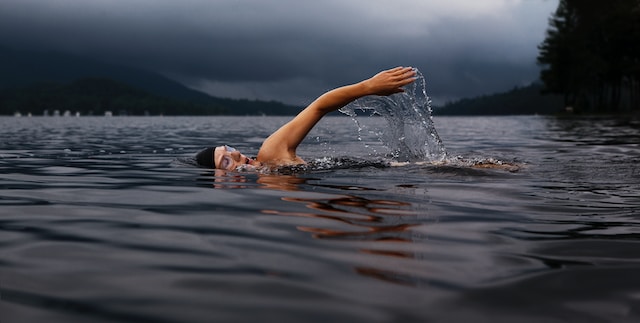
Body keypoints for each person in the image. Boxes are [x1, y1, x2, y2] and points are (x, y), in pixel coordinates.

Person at [196, 66, 417, 170]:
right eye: (225, 161)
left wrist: (368, 87)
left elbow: (318, 107)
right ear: (220, 181)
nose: (235, 153)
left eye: (229, 148)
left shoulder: (270, 154)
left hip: (404, 170)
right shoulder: (268, 183)